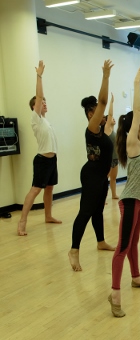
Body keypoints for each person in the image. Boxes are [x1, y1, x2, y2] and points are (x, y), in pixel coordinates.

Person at [108, 65, 140, 318]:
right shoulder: (132, 142)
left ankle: (135, 277)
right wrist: (137, 83)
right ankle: (115, 294)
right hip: (128, 203)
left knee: (135, 242)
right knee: (123, 246)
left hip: (139, 203)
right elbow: (138, 112)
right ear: (136, 125)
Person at [68, 60, 115, 272]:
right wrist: (105, 76)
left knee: (97, 210)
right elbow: (103, 102)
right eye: (97, 111)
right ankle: (74, 250)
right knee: (86, 211)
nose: (102, 114)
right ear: (90, 114)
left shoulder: (101, 131)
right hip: (91, 175)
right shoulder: (92, 127)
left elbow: (108, 110)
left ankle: (100, 241)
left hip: (100, 176)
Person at [17, 61, 62, 236]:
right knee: (35, 190)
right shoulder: (35, 118)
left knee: (49, 188)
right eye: (40, 102)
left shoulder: (46, 121)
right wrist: (39, 76)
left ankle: (48, 216)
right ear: (34, 107)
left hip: (52, 160)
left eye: (44, 101)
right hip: (42, 160)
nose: (43, 103)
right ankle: (22, 222)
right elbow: (39, 94)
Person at [105, 94, 119, 200]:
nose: (113, 119)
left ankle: (114, 194)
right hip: (108, 159)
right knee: (105, 179)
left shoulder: (114, 131)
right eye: (111, 119)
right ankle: (102, 197)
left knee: (113, 178)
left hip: (115, 158)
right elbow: (110, 114)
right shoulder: (107, 130)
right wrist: (112, 102)